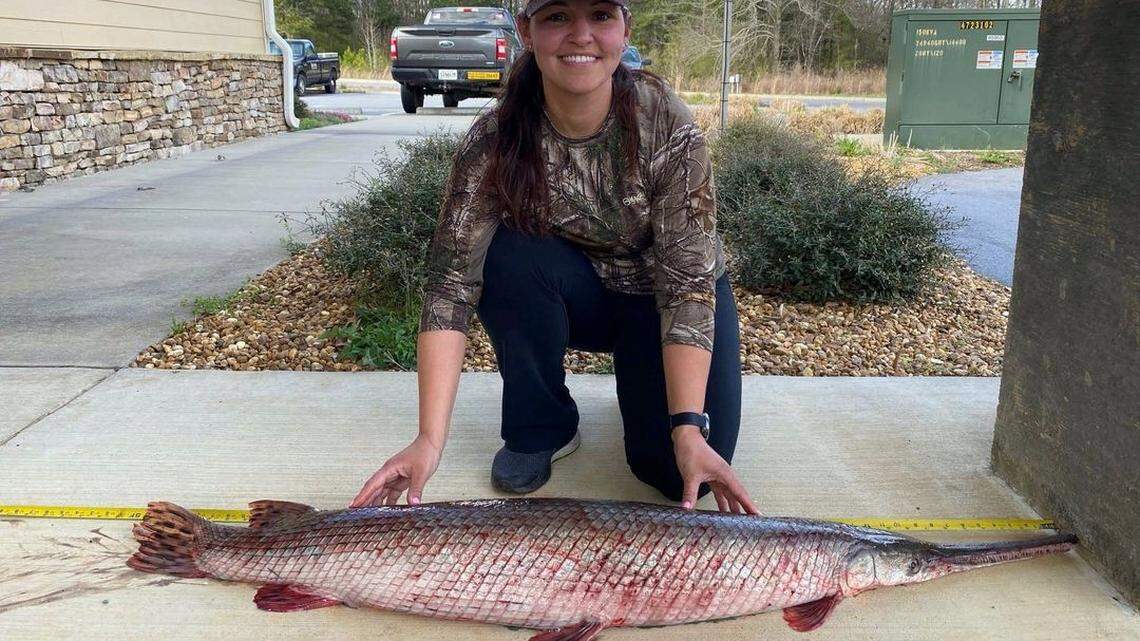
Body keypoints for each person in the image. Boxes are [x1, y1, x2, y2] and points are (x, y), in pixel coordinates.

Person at [352, 0, 758, 514]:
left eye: (601, 16)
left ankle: (651, 390)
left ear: (625, 28)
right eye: (558, 17)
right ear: (526, 30)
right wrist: (429, 440)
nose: (581, 35)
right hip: (582, 291)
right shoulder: (495, 138)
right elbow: (450, 287)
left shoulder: (666, 122)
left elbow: (687, 284)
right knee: (506, 254)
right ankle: (541, 426)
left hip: (667, 299)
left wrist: (687, 428)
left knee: (677, 471)